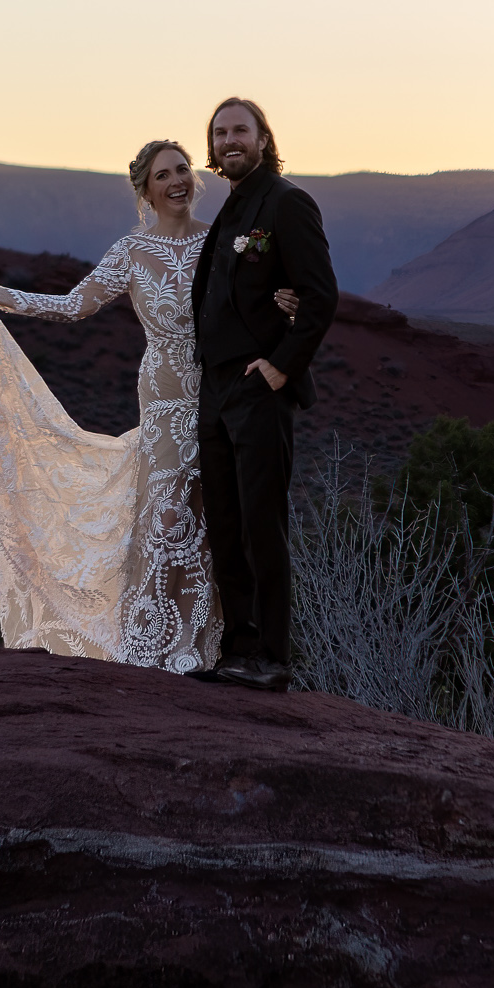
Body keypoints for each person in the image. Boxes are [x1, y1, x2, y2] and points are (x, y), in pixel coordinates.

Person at [0, 139, 296, 672]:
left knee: (219, 520)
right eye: (163, 175)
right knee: (167, 517)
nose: (177, 181)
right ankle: (147, 646)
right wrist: (10, 298)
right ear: (145, 191)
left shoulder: (222, 241)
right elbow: (76, 305)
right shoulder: (130, 252)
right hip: (167, 401)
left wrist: (287, 303)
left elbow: (255, 303)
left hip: (222, 397)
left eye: (183, 170)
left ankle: (211, 649)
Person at [190, 97, 338, 693]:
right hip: (215, 388)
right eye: (220, 132)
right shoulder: (231, 210)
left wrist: (278, 369)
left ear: (263, 138)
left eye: (240, 131)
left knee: (261, 524)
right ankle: (238, 650)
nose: (230, 140)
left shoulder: (286, 202)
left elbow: (321, 297)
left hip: (257, 387)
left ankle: (273, 658)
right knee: (224, 525)